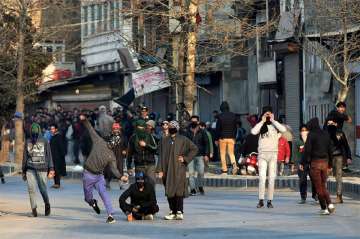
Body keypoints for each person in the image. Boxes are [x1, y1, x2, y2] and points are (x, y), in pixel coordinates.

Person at [80, 114, 124, 224]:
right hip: (88, 174)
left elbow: (114, 169)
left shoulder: (111, 156)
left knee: (103, 193)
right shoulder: (99, 141)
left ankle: (110, 215)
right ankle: (92, 202)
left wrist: (120, 176)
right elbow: (90, 129)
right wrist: (84, 120)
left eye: (115, 143)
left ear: (115, 145)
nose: (113, 144)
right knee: (87, 197)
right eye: (113, 141)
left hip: (99, 176)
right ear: (110, 140)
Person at [157, 121, 198, 220]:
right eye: (170, 126)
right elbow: (160, 155)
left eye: (173, 126)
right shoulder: (164, 140)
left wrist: (185, 159)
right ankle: (172, 211)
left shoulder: (183, 139)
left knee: (179, 190)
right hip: (166, 169)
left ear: (177, 128)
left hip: (179, 168)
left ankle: (179, 211)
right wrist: (159, 170)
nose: (171, 128)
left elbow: (194, 149)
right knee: (169, 190)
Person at [251, 106, 287, 208]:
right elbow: (253, 132)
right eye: (266, 114)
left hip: (273, 154)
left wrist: (273, 120)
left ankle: (270, 200)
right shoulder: (260, 125)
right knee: (262, 178)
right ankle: (261, 200)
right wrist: (262, 121)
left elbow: (283, 129)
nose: (267, 116)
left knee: (272, 178)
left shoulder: (275, 125)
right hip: (262, 154)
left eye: (269, 114)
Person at [300, 118, 335, 215]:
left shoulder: (311, 135)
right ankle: (330, 204)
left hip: (315, 163)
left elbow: (307, 150)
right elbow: (330, 150)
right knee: (323, 185)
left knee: (318, 187)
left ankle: (324, 208)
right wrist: (330, 164)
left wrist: (303, 163)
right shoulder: (326, 134)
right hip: (325, 163)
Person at [22, 123, 55, 217]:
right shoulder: (28, 141)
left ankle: (47, 203)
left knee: (43, 189)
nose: (34, 134)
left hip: (42, 169)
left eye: (36, 132)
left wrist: (51, 169)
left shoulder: (44, 141)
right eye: (33, 132)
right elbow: (25, 157)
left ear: (39, 131)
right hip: (30, 169)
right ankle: (34, 209)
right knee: (31, 189)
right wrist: (24, 171)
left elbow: (49, 155)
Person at [327, 120, 352, 203]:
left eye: (332, 123)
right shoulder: (325, 133)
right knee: (325, 176)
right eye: (329, 123)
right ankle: (324, 195)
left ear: (336, 124)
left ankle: (339, 196)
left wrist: (349, 157)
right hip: (327, 157)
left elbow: (346, 145)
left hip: (338, 157)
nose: (330, 125)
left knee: (338, 176)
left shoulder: (340, 133)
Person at [127, 119, 158, 186]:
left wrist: (146, 145)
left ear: (145, 127)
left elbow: (155, 148)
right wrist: (129, 167)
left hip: (150, 165)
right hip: (139, 166)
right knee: (140, 185)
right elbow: (129, 153)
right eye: (138, 128)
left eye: (142, 128)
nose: (140, 130)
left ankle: (151, 196)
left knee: (151, 184)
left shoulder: (150, 136)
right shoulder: (133, 138)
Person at [184, 116, 209, 196]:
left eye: (195, 121)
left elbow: (206, 143)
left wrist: (206, 154)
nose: (193, 123)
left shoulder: (202, 132)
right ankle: (192, 189)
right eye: (192, 121)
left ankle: (200, 186)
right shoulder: (187, 131)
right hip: (190, 155)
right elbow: (184, 144)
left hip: (200, 154)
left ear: (198, 122)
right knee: (191, 173)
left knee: (201, 172)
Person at [295, 125, 317, 204]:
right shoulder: (298, 142)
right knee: (302, 181)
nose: (304, 132)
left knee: (314, 179)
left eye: (305, 130)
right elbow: (295, 154)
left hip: (311, 163)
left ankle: (315, 195)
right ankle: (303, 197)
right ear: (300, 132)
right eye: (302, 130)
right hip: (302, 164)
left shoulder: (312, 141)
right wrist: (296, 164)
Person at [215, 101, 239, 175]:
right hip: (231, 137)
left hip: (222, 138)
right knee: (231, 153)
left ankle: (224, 170)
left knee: (223, 154)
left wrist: (216, 139)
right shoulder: (233, 115)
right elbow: (235, 128)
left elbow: (218, 128)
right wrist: (234, 137)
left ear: (221, 108)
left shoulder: (220, 116)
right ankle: (234, 165)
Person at [105, 122, 128, 190]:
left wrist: (125, 151)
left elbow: (126, 146)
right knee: (109, 170)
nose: (116, 130)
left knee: (120, 170)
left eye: (117, 129)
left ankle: (121, 184)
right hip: (111, 156)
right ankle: (107, 184)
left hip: (119, 156)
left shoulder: (123, 137)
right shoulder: (109, 137)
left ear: (119, 129)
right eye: (114, 129)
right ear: (112, 129)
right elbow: (106, 146)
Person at [49, 124, 67, 188]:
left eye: (53, 129)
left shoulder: (58, 137)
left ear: (56, 129)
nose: (51, 130)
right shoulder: (53, 137)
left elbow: (61, 147)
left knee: (57, 170)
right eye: (51, 129)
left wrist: (62, 155)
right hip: (53, 156)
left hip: (58, 157)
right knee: (54, 169)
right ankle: (55, 183)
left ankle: (57, 183)